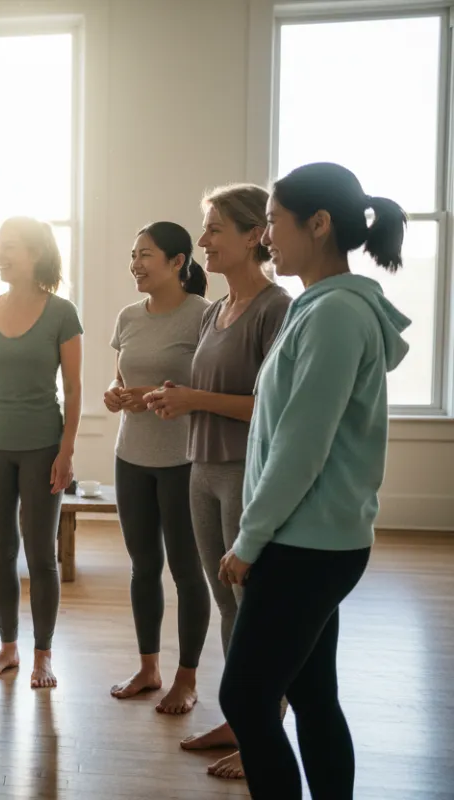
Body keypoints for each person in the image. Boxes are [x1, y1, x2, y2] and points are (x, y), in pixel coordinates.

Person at [217, 162, 409, 799]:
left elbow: (301, 446)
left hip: (307, 545)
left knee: (244, 699)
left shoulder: (333, 317)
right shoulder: (321, 307)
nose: (267, 237)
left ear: (319, 225)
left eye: (273, 221)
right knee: (312, 695)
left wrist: (248, 540)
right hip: (316, 540)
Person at [153, 184, 290, 780]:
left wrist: (194, 399)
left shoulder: (274, 308)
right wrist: (168, 401)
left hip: (243, 472)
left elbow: (269, 405)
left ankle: (263, 733)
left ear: (254, 234)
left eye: (212, 229)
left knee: (251, 606)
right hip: (201, 468)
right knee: (226, 603)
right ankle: (242, 719)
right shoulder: (215, 308)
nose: (202, 240)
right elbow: (206, 394)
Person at [0, 216, 83, 690]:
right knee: (0, 550)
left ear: (36, 254)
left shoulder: (62, 313)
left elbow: (73, 389)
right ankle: (8, 647)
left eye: (9, 246)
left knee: (41, 554)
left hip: (42, 445)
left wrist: (66, 451)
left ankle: (43, 655)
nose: (0, 253)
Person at [105, 222, 211, 714]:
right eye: (132, 255)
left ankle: (186, 678)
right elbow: (125, 377)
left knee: (188, 571)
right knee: (143, 567)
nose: (136, 264)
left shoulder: (203, 316)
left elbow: (206, 391)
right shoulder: (128, 316)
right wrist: (117, 395)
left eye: (145, 254)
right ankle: (149, 668)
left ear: (178, 262)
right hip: (132, 459)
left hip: (183, 461)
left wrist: (160, 399)